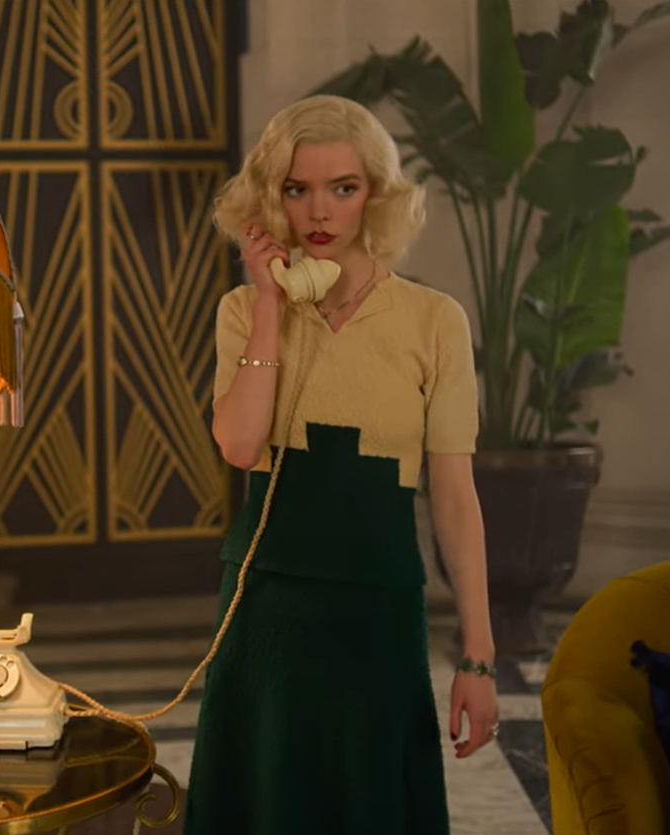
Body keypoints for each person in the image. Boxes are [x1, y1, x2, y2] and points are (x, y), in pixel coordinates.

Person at [182, 94, 500, 834]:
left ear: (375, 197)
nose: (318, 211)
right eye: (297, 189)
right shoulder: (243, 310)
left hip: (377, 607)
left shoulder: (433, 321)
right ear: (272, 198)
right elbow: (238, 445)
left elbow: (454, 497)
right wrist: (270, 304)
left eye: (342, 188)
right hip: (266, 608)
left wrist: (478, 656)